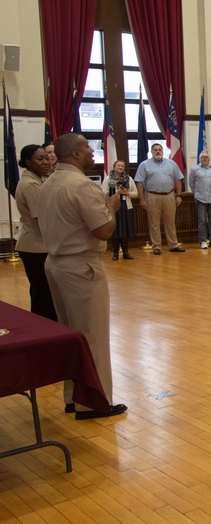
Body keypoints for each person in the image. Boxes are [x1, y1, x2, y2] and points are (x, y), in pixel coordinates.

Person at [37, 134, 128, 419]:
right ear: (76, 154)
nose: (92, 152)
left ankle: (72, 397)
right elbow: (103, 230)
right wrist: (111, 209)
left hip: (56, 263)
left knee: (71, 334)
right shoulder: (80, 185)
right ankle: (93, 402)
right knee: (92, 335)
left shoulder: (49, 182)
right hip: (81, 266)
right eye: (88, 148)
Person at [14, 144, 58, 320]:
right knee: (43, 295)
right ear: (28, 162)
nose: (46, 162)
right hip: (35, 246)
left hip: (38, 245)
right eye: (40, 159)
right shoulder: (31, 184)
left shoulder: (37, 180)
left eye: (47, 158)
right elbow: (41, 218)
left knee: (45, 293)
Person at [135, 143, 185, 255]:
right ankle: (156, 246)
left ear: (162, 151)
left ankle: (173, 245)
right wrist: (142, 199)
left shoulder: (171, 164)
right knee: (154, 223)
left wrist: (179, 195)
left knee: (170, 222)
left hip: (169, 195)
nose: (158, 152)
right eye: (155, 150)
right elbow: (139, 182)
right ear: (151, 152)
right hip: (152, 196)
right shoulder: (144, 165)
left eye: (160, 150)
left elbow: (178, 180)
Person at [102, 159, 138, 260]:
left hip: (126, 206)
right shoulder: (109, 179)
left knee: (125, 230)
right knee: (115, 230)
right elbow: (103, 192)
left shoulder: (129, 179)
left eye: (122, 166)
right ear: (114, 167)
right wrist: (117, 192)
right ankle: (115, 252)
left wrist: (127, 193)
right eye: (118, 166)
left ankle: (126, 252)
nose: (120, 168)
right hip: (113, 207)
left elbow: (135, 193)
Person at [189, 151, 211, 249]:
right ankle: (203, 241)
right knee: (202, 221)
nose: (205, 159)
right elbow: (191, 184)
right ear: (199, 159)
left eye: (206, 157)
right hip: (200, 198)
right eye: (203, 157)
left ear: (209, 159)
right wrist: (197, 193)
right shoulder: (194, 169)